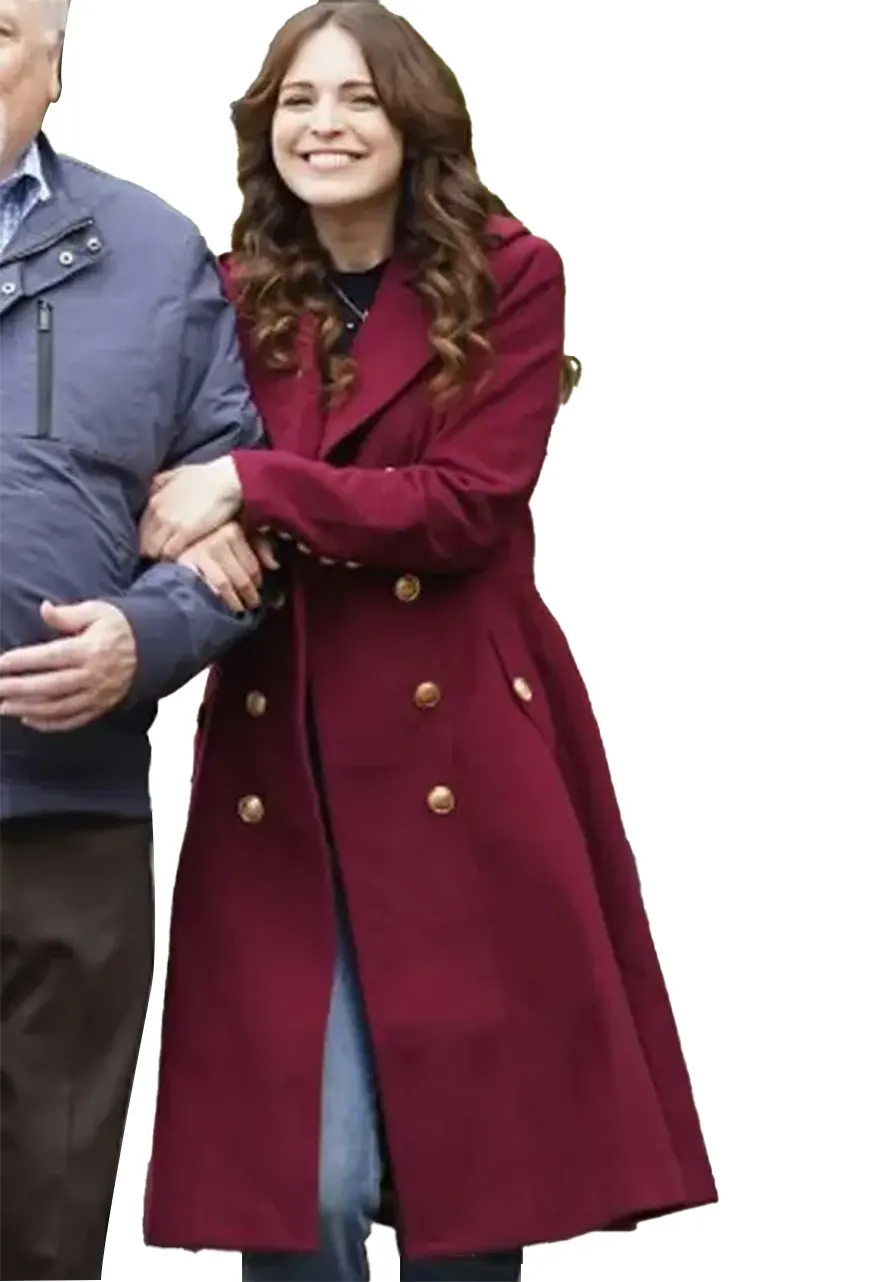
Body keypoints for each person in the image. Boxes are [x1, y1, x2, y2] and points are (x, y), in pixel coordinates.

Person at [139, 3, 718, 1280]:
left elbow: (463, 506)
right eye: (299, 101)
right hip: (281, 751)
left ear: (415, 120)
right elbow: (156, 474)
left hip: (462, 743)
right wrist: (195, 523)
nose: (326, 125)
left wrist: (252, 486)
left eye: (358, 98)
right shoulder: (223, 292)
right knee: (305, 1180)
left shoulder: (513, 274)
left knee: (470, 1167)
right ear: (263, 127)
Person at [0, 1, 269, 1277]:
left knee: (42, 1240)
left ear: (57, 66)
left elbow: (242, 532)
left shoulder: (158, 255)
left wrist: (140, 639)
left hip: (68, 828)